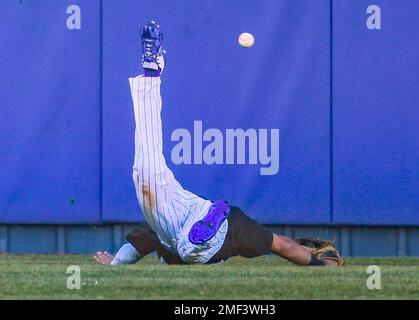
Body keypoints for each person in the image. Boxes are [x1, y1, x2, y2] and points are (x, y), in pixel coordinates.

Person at [95, 21, 343, 267]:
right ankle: (152, 75)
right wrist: (322, 267)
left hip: (199, 224)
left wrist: (115, 264)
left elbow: (129, 253)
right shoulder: (240, 224)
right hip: (199, 219)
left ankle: (197, 240)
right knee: (148, 176)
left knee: (147, 175)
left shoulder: (235, 222)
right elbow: (284, 246)